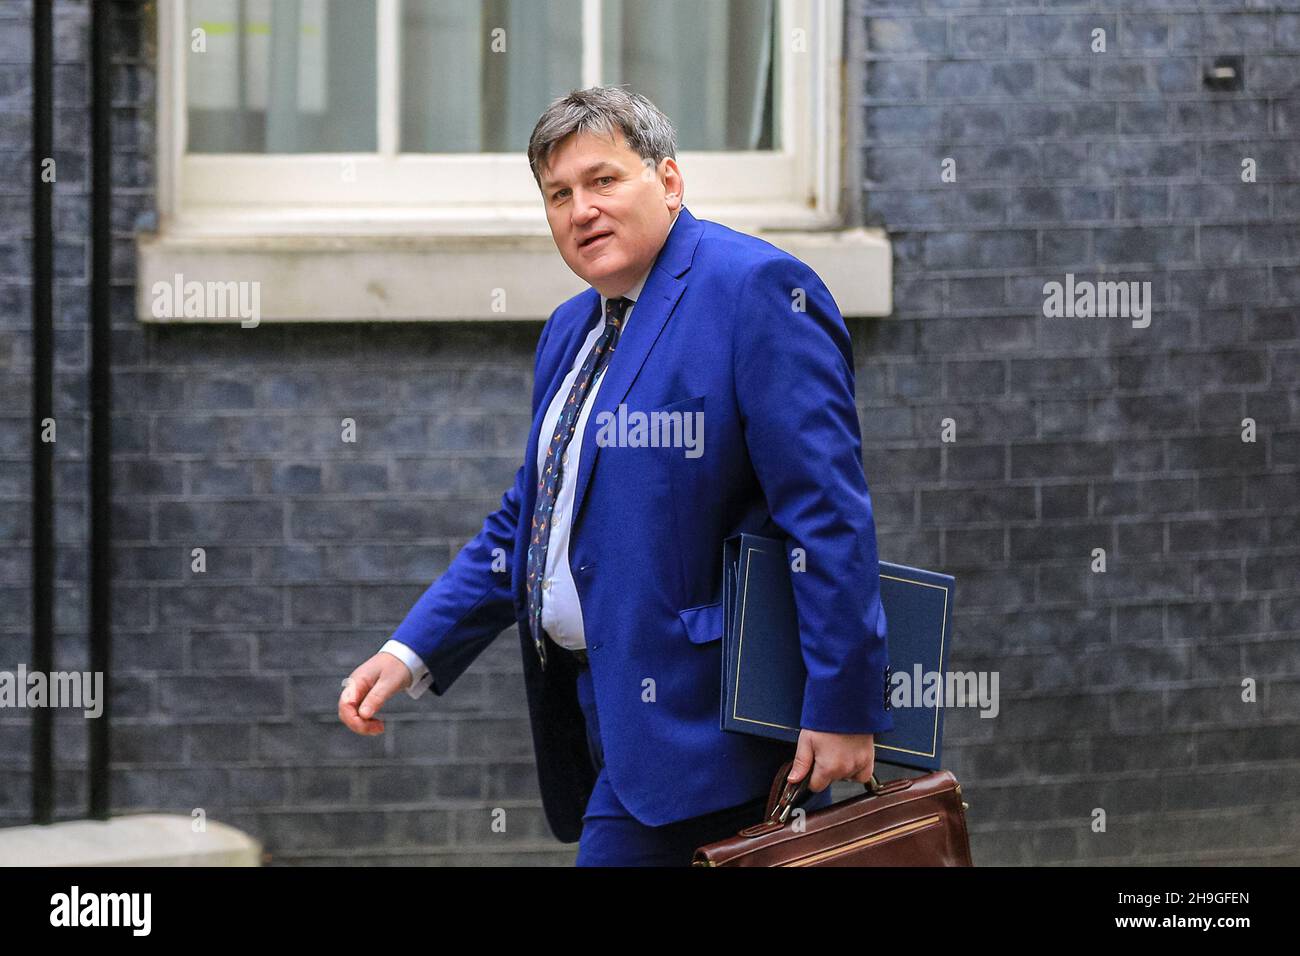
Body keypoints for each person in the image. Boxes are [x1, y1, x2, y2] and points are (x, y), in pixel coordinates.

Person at [338, 86, 893, 866]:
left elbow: (826, 515)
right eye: (558, 194)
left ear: (669, 181)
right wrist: (411, 650)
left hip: (716, 733)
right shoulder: (572, 328)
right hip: (597, 716)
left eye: (604, 181)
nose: (580, 210)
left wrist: (843, 706)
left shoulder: (756, 292)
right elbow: (530, 520)